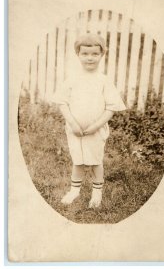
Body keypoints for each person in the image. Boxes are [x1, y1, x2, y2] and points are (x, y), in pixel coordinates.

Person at [52, 33, 126, 208]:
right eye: (85, 53)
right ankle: (74, 191)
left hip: (96, 130)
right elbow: (62, 103)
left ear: (102, 54)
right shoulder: (72, 79)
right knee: (78, 160)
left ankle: (96, 192)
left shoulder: (104, 81)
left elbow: (111, 107)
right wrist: (72, 123)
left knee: (95, 161)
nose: (90, 58)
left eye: (94, 54)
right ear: (78, 54)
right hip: (75, 130)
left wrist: (95, 126)